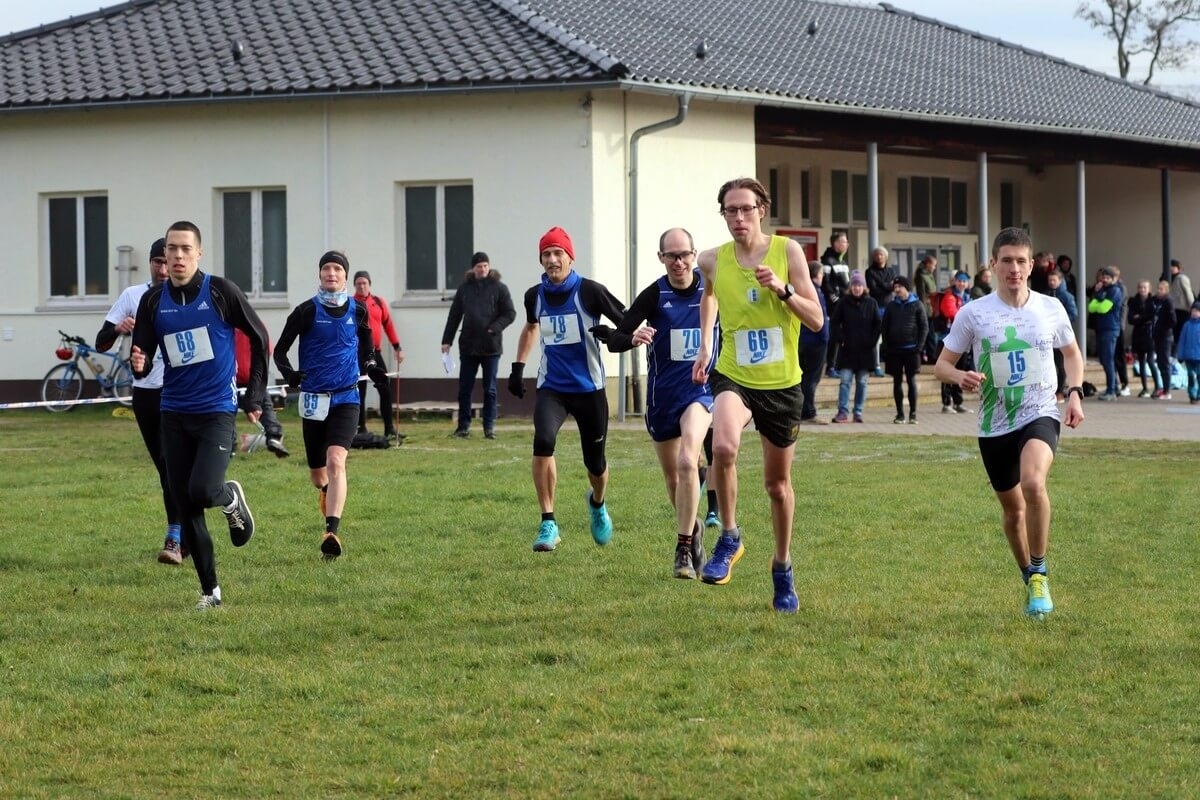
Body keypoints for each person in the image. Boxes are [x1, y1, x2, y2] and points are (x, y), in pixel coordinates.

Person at [934, 226, 1085, 619]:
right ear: (992, 266)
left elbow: (1072, 354)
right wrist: (960, 376)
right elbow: (941, 366)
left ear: (1032, 265)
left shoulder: (1051, 308)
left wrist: (1074, 392)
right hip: (994, 424)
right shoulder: (974, 313)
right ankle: (1028, 574)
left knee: (1034, 483)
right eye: (1007, 261)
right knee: (1014, 512)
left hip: (1040, 412)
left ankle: (1039, 572)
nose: (1014, 269)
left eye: (1021, 261)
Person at [691, 177, 823, 613]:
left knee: (777, 486)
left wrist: (782, 290)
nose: (739, 218)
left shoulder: (788, 253)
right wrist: (707, 344)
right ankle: (729, 536)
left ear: (761, 210)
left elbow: (817, 320)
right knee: (723, 446)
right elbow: (708, 296)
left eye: (746, 209)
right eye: (730, 210)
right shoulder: (711, 260)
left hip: (782, 384)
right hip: (734, 375)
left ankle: (782, 567)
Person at [129, 221, 266, 610]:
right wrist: (139, 364)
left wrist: (254, 392)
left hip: (216, 412)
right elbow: (144, 357)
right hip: (172, 412)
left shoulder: (221, 291)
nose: (177, 256)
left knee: (203, 490)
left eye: (185, 249)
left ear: (199, 253)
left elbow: (258, 337)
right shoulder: (153, 302)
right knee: (183, 502)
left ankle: (230, 498)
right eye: (171, 250)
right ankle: (211, 592)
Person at [600, 227, 717, 579]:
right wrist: (633, 337)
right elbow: (617, 337)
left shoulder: (711, 291)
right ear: (661, 258)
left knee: (688, 460)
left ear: (694, 255)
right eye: (671, 256)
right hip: (662, 397)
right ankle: (693, 531)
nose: (679, 262)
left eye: (684, 255)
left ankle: (682, 549)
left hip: (700, 392)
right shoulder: (654, 294)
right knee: (673, 478)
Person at [508, 226, 625, 552]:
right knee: (543, 441)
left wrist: (616, 338)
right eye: (546, 254)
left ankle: (598, 504)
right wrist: (518, 366)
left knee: (596, 464)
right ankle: (548, 522)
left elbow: (626, 320)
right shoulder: (535, 295)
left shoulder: (590, 291)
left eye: (558, 253)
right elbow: (532, 327)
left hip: (589, 389)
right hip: (553, 387)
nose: (552, 259)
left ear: (570, 257)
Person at [274, 251, 378, 560]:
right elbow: (280, 350)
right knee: (319, 475)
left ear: (345, 276)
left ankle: (331, 531)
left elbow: (367, 344)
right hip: (314, 401)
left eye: (337, 268)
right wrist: (289, 374)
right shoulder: (306, 311)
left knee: (336, 461)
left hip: (347, 397)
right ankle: (325, 492)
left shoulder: (358, 311)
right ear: (320, 275)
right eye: (326, 269)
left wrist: (371, 364)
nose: (331, 273)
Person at [96, 238, 183, 564]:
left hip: (182, 388)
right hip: (146, 391)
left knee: (179, 465)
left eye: (167, 260)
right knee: (165, 465)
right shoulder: (133, 296)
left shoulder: (187, 294)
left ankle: (177, 534)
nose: (163, 268)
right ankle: (178, 533)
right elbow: (101, 342)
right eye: (157, 262)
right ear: (150, 263)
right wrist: (119, 329)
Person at [440, 251, 516, 439]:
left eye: (485, 266)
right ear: (472, 269)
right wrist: (446, 340)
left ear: (489, 267)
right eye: (478, 266)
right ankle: (463, 427)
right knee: (465, 388)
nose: (482, 269)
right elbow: (454, 315)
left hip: (491, 347)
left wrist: (495, 328)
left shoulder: (500, 288)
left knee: (489, 388)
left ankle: (489, 427)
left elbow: (510, 313)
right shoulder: (464, 289)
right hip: (468, 346)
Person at [352, 271, 404, 443]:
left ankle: (389, 427)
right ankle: (361, 428)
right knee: (360, 391)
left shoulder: (378, 303)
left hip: (376, 352)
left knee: (385, 388)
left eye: (364, 283)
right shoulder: (350, 304)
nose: (361, 286)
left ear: (369, 284)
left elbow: (388, 325)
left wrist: (397, 346)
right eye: (358, 283)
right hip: (358, 353)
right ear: (354, 285)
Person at [829, 270, 880, 423]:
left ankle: (858, 411)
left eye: (859, 285)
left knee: (862, 382)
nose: (857, 288)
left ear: (864, 287)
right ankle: (842, 412)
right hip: (847, 350)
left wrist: (872, 341)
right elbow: (834, 322)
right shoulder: (843, 303)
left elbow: (877, 325)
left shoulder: (872, 303)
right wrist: (841, 338)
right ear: (850, 287)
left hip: (865, 351)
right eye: (854, 285)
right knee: (845, 381)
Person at [234, 328, 288, 457]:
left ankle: (229, 444)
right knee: (266, 406)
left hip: (238, 380)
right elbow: (267, 351)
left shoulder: (229, 326)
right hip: (249, 379)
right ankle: (273, 435)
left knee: (227, 411)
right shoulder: (256, 325)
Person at [881, 274, 927, 424]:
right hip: (894, 350)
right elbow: (885, 327)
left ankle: (913, 414)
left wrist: (919, 346)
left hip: (911, 349)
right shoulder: (891, 306)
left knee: (911, 380)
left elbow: (924, 327)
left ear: (906, 287)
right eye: (895, 288)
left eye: (899, 287)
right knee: (896, 381)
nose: (897, 290)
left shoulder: (917, 305)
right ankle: (899, 413)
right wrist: (886, 346)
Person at [799, 260, 829, 424]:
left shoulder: (803, 289)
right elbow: (820, 318)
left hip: (804, 340)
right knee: (811, 378)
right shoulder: (815, 291)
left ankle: (803, 410)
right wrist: (825, 338)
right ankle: (808, 412)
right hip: (816, 340)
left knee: (805, 377)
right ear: (817, 274)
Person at [938, 270, 972, 414]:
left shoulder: (968, 297)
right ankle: (946, 403)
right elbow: (951, 313)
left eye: (964, 281)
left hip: (964, 339)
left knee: (960, 371)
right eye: (959, 281)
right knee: (948, 370)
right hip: (950, 339)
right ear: (954, 282)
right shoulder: (949, 297)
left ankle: (958, 402)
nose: (962, 283)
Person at [1087, 266, 1124, 401]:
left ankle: (1112, 390)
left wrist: (1098, 302)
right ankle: (1114, 387)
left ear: (1114, 279)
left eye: (1108, 278)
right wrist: (1097, 296)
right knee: (1104, 359)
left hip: (1110, 329)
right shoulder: (1102, 290)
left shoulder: (1115, 291)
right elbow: (1091, 307)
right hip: (1102, 328)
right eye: (1104, 277)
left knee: (1108, 359)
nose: (1105, 280)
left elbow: (1103, 308)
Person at [820, 231, 850, 378]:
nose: (846, 244)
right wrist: (836, 300)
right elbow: (825, 284)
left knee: (841, 336)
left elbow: (846, 285)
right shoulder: (827, 261)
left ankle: (837, 365)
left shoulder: (843, 262)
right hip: (833, 307)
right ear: (836, 243)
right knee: (834, 336)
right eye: (844, 241)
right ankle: (830, 366)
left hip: (844, 304)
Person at [1046, 269, 1078, 399]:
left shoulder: (1066, 296)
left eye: (1054, 280)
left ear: (1060, 281)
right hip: (1047, 334)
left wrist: (1059, 324)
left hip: (1060, 334)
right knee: (1049, 363)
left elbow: (1073, 313)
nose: (1052, 283)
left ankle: (1060, 390)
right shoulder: (1046, 295)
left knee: (1060, 364)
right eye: (1050, 280)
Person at [864, 247, 895, 376]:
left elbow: (892, 287)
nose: (879, 257)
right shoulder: (869, 271)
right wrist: (886, 285)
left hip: (888, 307)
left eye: (881, 254)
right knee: (875, 337)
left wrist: (881, 284)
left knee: (889, 336)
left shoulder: (891, 271)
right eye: (876, 255)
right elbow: (874, 289)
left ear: (886, 257)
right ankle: (875, 364)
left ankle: (887, 363)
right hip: (875, 307)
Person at [1127, 280, 1158, 397]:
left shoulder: (1153, 301)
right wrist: (1143, 319)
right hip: (1138, 334)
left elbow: (1153, 316)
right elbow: (1131, 319)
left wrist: (1140, 317)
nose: (1142, 290)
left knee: (1150, 361)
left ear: (1149, 289)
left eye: (1145, 287)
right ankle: (1145, 388)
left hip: (1150, 334)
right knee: (1141, 362)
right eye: (1140, 287)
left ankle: (1157, 386)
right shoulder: (1134, 301)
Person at [1150, 280, 1176, 400]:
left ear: (1166, 290)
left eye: (1161, 289)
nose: (1158, 291)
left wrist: (1162, 329)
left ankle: (1167, 391)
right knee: (1160, 363)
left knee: (1165, 363)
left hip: (1165, 336)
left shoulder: (1168, 302)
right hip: (1157, 336)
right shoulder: (1157, 301)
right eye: (1158, 288)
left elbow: (1172, 320)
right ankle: (1163, 388)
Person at [913, 255, 939, 363]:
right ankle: (922, 356)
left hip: (932, 307)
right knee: (925, 333)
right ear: (928, 264)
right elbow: (922, 294)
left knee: (931, 334)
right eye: (933, 265)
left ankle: (931, 355)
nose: (934, 267)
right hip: (926, 309)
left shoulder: (930, 275)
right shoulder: (921, 275)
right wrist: (923, 311)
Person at [1168, 259, 1195, 347]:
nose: (1171, 268)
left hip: (1183, 309)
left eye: (1173, 266)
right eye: (1170, 266)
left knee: (1181, 330)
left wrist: (1193, 307)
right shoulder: (1168, 278)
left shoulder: (1182, 278)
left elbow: (1188, 293)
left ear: (1178, 268)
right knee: (1175, 331)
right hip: (1174, 308)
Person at [1178, 300, 1200, 405]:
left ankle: (1198, 394)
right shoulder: (1186, 325)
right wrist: (1180, 355)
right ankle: (1192, 395)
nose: (1194, 313)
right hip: (1188, 356)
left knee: (1199, 376)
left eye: (1197, 311)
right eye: (1193, 311)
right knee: (1190, 375)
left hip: (1199, 356)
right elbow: (1182, 341)